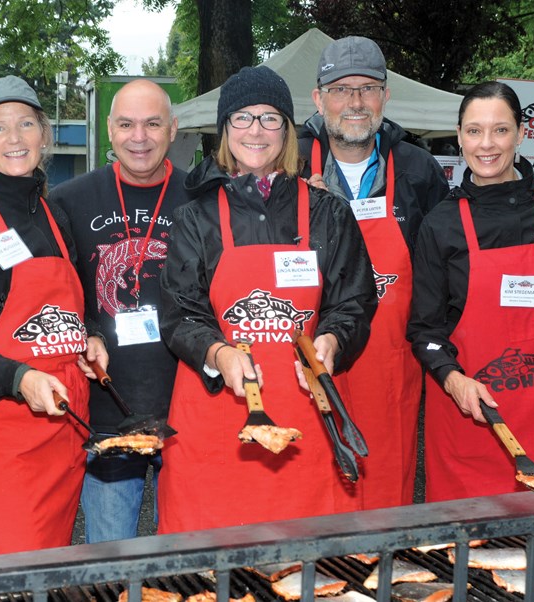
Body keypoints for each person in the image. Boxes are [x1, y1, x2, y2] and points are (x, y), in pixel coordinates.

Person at [158, 66, 378, 533]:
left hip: (307, 416)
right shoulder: (196, 217)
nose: (255, 130)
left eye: (270, 118)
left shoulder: (327, 212)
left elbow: (354, 300)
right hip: (216, 421)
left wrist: (335, 340)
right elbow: (180, 313)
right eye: (242, 117)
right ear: (224, 130)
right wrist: (218, 352)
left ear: (288, 131)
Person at [407, 81, 534, 502]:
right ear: (460, 135)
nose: (487, 144)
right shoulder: (440, 224)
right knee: (472, 558)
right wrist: (452, 380)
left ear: (521, 134)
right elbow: (424, 330)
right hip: (472, 423)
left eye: (500, 130)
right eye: (474, 130)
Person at [0, 76, 106, 557]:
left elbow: (73, 307)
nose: (14, 139)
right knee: (5, 573)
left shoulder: (55, 215)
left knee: (50, 569)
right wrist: (20, 377)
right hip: (3, 438)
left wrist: (86, 338)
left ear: (44, 135)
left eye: (26, 124)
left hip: (65, 426)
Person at [298, 36, 449, 509]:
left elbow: (444, 269)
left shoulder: (419, 170)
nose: (356, 102)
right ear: (319, 99)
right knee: (313, 493)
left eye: (368, 88)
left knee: (385, 490)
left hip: (391, 366)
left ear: (386, 96)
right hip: (309, 359)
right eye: (341, 89)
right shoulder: (289, 162)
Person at [49, 79, 188, 543]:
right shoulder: (68, 201)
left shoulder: (204, 196)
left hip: (191, 407)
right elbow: (55, 291)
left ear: (173, 129)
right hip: (108, 409)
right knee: (110, 559)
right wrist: (86, 330)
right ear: (110, 129)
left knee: (190, 555)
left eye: (152, 124)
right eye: (126, 124)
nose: (139, 137)